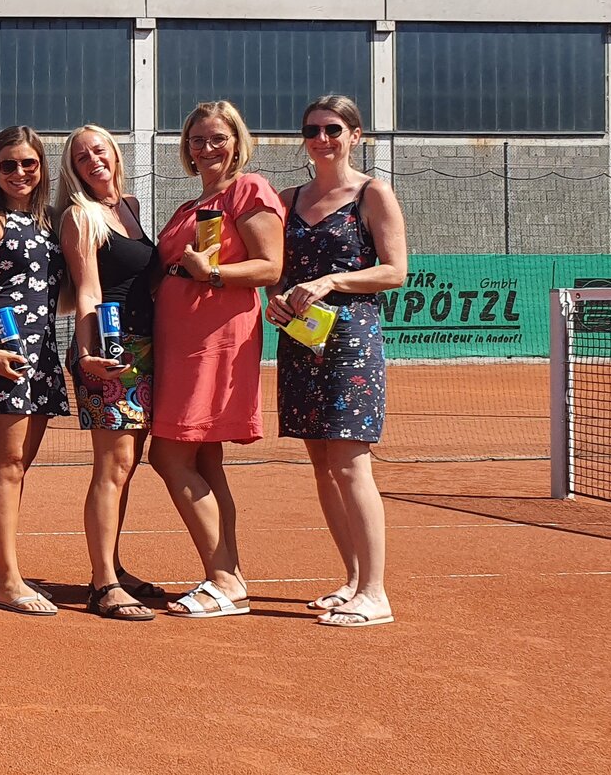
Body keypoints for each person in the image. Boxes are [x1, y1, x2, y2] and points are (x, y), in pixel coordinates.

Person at [266, 95, 407, 628]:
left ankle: (375, 592)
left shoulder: (373, 193)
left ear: (355, 135)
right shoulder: (287, 199)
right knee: (323, 465)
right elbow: (277, 272)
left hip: (351, 339)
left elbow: (394, 271)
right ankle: (352, 581)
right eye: (312, 131)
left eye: (332, 129)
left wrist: (331, 281)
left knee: (350, 463)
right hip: (300, 341)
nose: (321, 139)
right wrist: (275, 299)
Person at [149, 100, 284, 619]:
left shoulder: (249, 189)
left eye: (217, 138)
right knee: (205, 460)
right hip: (179, 342)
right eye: (197, 139)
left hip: (216, 338)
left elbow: (270, 267)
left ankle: (223, 579)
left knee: (168, 456)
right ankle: (230, 575)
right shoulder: (191, 205)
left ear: (237, 142)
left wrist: (212, 274)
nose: (206, 148)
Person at [0, 125, 69, 616]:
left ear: (42, 167)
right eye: (8, 164)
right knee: (6, 467)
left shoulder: (51, 222)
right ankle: (7, 580)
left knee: (18, 467)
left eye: (28, 163)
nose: (19, 172)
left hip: (41, 353)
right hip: (2, 355)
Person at [56, 124, 166, 621]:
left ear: (115, 154)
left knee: (128, 465)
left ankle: (113, 567)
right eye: (82, 157)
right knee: (113, 465)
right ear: (74, 169)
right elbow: (88, 289)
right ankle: (103, 584)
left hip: (146, 348)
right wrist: (87, 355)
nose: (93, 161)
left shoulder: (132, 207)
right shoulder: (80, 215)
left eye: (99, 151)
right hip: (110, 352)